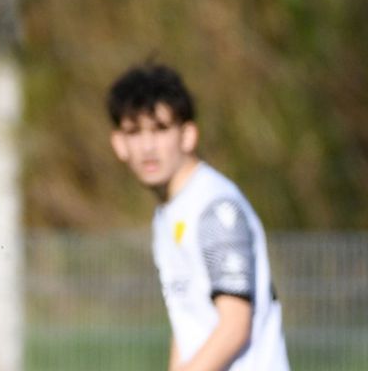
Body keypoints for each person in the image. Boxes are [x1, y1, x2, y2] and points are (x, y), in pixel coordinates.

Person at [106, 62, 290, 371]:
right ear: (119, 144)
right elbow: (189, 324)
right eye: (134, 132)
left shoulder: (215, 207)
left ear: (188, 135)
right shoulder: (170, 213)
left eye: (160, 129)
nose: (147, 147)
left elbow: (234, 325)